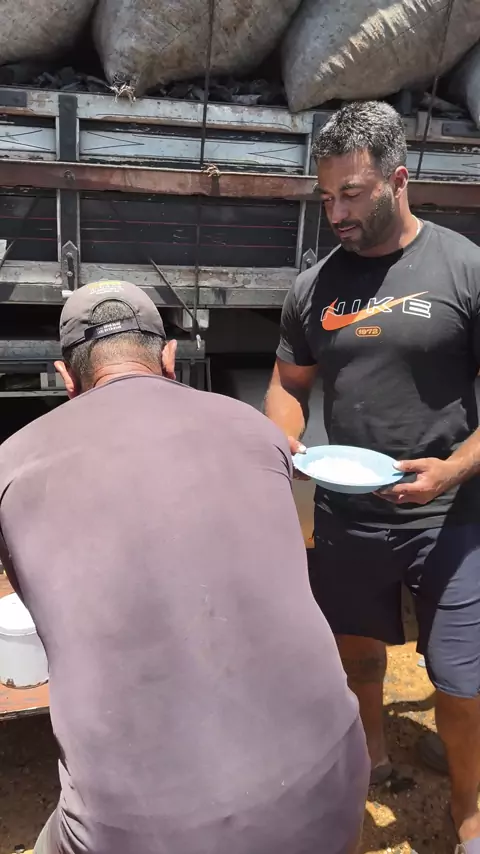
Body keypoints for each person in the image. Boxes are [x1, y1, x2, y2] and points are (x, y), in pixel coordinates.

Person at [0, 280, 368, 854]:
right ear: (170, 359)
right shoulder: (258, 430)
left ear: (66, 377)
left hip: (140, 835)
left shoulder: (12, 465)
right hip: (332, 788)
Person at [265, 100, 480, 848]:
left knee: (462, 679)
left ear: (398, 179)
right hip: (348, 512)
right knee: (356, 659)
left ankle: (468, 809)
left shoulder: (463, 268)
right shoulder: (313, 287)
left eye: (351, 194)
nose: (336, 213)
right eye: (326, 197)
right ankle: (372, 757)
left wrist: (453, 470)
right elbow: (289, 383)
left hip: (450, 516)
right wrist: (284, 444)